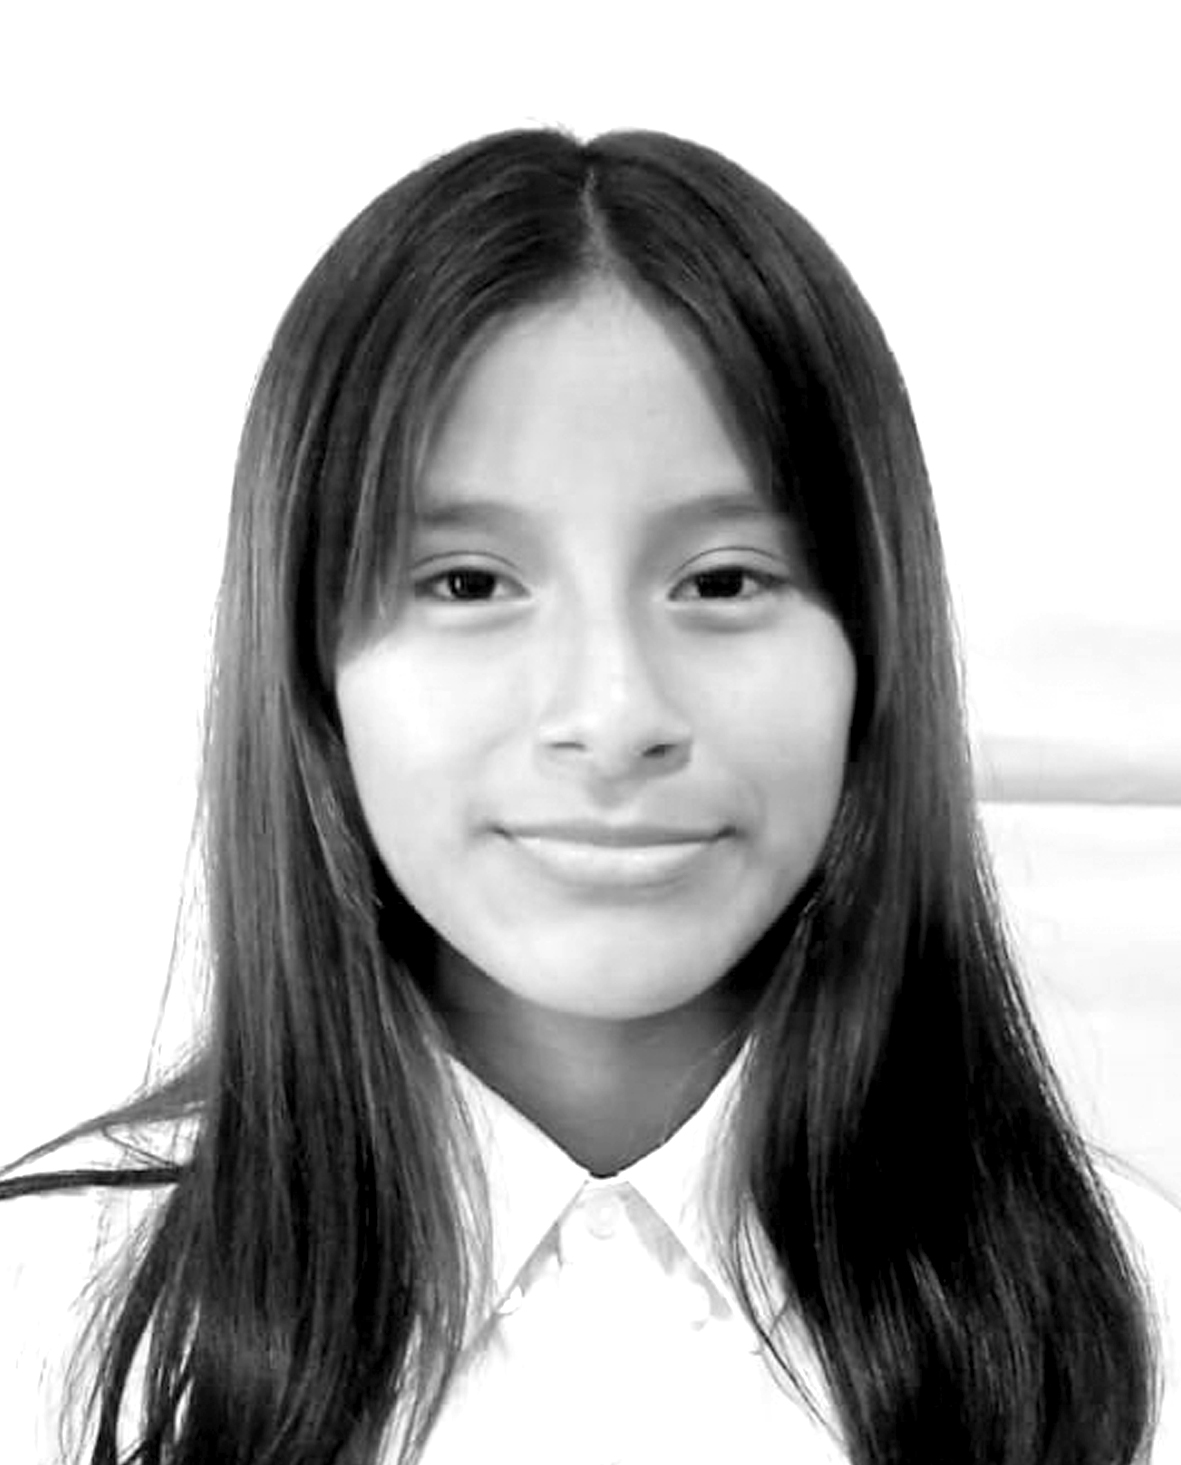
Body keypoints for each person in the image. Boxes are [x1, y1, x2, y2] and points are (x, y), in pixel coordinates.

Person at [1, 125, 1177, 1465]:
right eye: (467, 583)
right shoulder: (45, 1312)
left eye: (724, 580)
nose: (614, 719)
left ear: (873, 652)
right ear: (312, 666)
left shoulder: (1130, 1318)